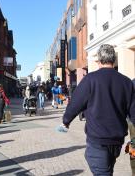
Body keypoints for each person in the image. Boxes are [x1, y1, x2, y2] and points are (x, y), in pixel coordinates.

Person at [58, 44, 135, 175]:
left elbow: (76, 103)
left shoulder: (90, 79)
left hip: (98, 140)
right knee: (107, 169)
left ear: (99, 60)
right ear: (113, 59)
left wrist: (66, 121)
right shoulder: (127, 82)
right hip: (117, 142)